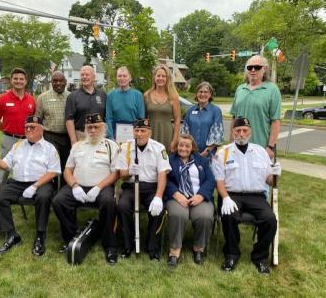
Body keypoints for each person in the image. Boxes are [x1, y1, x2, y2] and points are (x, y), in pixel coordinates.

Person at [212, 117, 281, 274]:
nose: (241, 134)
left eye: (244, 130)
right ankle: (231, 254)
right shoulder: (223, 152)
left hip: (256, 196)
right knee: (228, 216)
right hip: (231, 194)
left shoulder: (260, 152)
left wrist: (276, 174)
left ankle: (260, 257)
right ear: (233, 132)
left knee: (270, 220)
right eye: (238, 131)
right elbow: (219, 181)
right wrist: (226, 198)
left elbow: (270, 181)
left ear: (250, 132)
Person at [0, 116, 61, 256]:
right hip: (18, 183)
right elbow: (6, 165)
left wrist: (35, 186)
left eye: (32, 127)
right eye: (26, 127)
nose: (28, 130)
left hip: (41, 182)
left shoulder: (49, 148)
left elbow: (54, 172)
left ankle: (40, 235)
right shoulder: (18, 145)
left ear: (41, 130)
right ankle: (12, 235)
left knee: (43, 197)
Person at [52, 113, 120, 265]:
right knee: (58, 201)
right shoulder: (77, 146)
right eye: (89, 127)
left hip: (102, 186)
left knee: (109, 203)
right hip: (78, 185)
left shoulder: (111, 145)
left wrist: (99, 187)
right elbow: (67, 171)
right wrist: (74, 186)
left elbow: (116, 173)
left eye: (96, 127)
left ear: (103, 128)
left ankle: (109, 245)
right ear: (85, 129)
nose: (93, 130)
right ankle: (72, 236)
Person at [116, 119, 172, 260]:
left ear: (149, 132)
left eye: (143, 131)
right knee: (122, 207)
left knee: (158, 211)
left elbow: (162, 174)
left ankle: (152, 247)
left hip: (151, 187)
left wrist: (158, 196)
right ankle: (127, 245)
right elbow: (122, 175)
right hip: (130, 186)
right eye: (136, 130)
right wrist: (130, 171)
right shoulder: (126, 147)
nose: (139, 134)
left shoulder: (159, 148)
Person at [165, 134, 215, 267]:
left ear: (192, 148)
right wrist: (176, 194)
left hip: (198, 196)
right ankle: (174, 251)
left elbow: (210, 180)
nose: (183, 148)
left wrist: (200, 195)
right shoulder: (169, 160)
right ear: (176, 146)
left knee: (205, 216)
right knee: (178, 215)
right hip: (177, 197)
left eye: (187, 146)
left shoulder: (202, 161)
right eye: (181, 145)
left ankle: (199, 249)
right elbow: (166, 180)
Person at [230, 55, 281, 158]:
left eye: (257, 67)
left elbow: (275, 121)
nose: (253, 70)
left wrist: (271, 147)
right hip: (238, 146)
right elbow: (234, 118)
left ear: (264, 69)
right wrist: (231, 143)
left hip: (260, 148)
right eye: (249, 67)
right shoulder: (240, 89)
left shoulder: (272, 90)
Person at [0, 68, 36, 186]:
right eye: (15, 78)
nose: (18, 81)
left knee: (27, 165)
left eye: (21, 79)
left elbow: (34, 121)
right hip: (9, 139)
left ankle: (26, 191)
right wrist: (6, 130)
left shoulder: (31, 100)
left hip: (27, 139)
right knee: (4, 168)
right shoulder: (2, 99)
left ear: (25, 81)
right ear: (11, 80)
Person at [36, 71, 71, 189]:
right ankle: (52, 192)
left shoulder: (71, 97)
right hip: (50, 137)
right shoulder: (42, 97)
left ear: (66, 82)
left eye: (61, 80)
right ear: (51, 82)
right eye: (55, 81)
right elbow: (38, 119)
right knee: (52, 167)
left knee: (67, 166)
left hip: (68, 137)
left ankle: (64, 194)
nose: (58, 83)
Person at [65, 65, 107, 146]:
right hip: (81, 135)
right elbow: (69, 120)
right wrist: (73, 140)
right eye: (82, 75)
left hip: (99, 135)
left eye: (87, 75)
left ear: (94, 77)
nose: (84, 77)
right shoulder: (73, 96)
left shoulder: (102, 95)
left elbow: (106, 116)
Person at [144, 65, 181, 152]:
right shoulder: (147, 95)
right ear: (154, 77)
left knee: (165, 160)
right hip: (151, 133)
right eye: (158, 75)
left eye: (163, 76)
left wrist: (175, 140)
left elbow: (177, 119)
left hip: (167, 134)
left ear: (167, 78)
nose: (160, 78)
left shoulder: (173, 96)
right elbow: (144, 118)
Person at [181, 81, 224, 157]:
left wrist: (206, 151)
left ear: (210, 94)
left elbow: (217, 134)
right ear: (196, 94)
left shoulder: (216, 111)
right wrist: (188, 149)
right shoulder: (190, 111)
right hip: (190, 153)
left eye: (206, 92)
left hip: (209, 154)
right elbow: (184, 132)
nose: (203, 94)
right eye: (200, 92)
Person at [105, 66, 145, 140]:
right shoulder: (111, 95)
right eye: (119, 76)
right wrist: (110, 137)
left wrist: (138, 136)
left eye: (124, 76)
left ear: (130, 78)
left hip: (133, 133)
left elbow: (141, 118)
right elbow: (108, 118)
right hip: (115, 133)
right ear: (116, 78)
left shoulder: (138, 95)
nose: (122, 78)